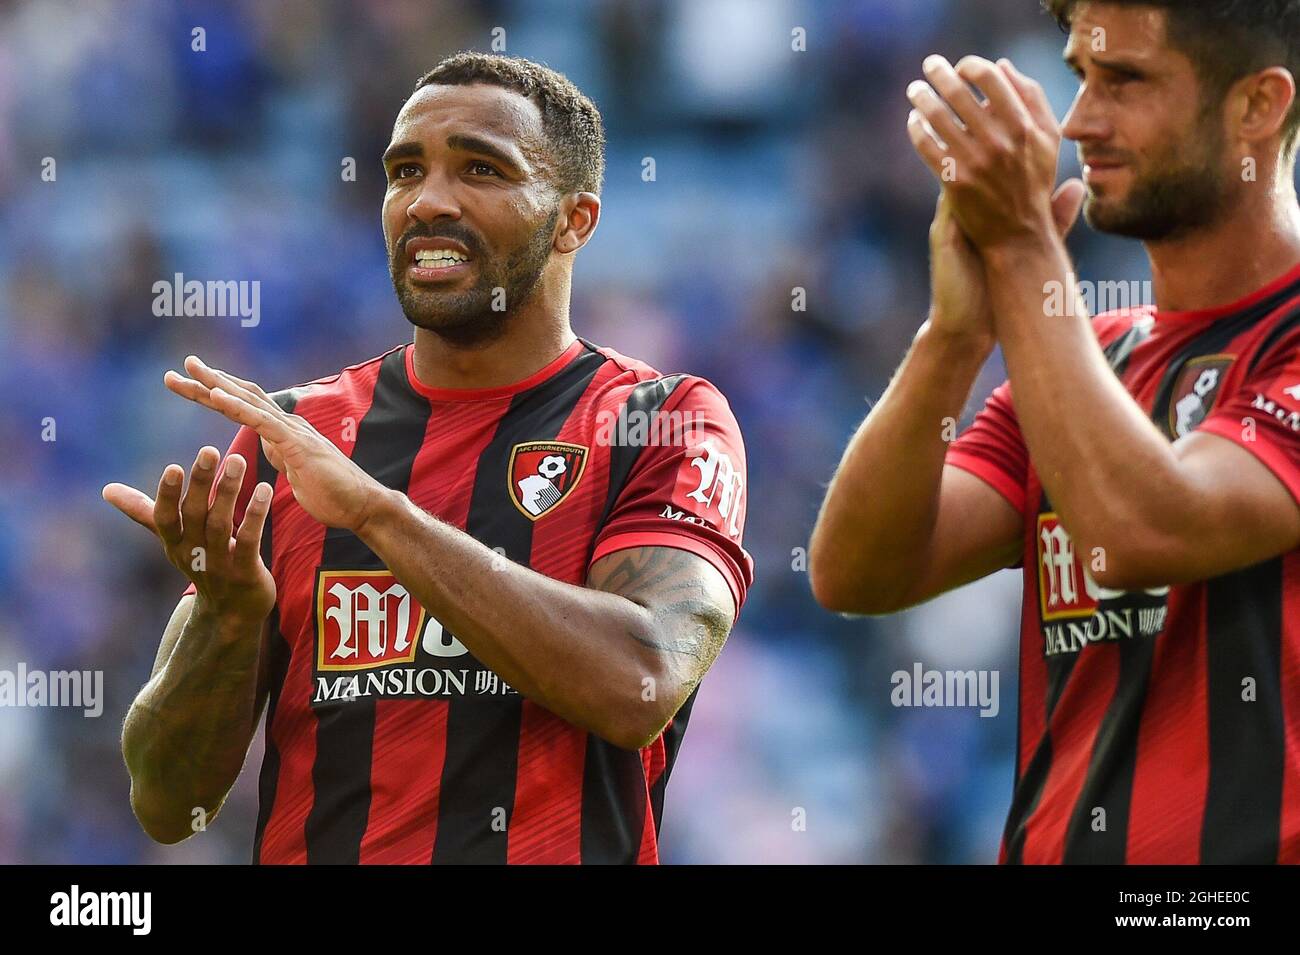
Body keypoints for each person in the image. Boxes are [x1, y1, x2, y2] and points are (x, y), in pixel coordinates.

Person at [102, 52, 752, 865]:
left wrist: (379, 514)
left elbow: (640, 683)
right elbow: (169, 803)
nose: (429, 201)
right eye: (405, 170)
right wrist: (227, 620)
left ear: (574, 219)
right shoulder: (295, 438)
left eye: (481, 169)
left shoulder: (660, 423)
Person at [809, 0, 1300, 863]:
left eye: (1127, 81)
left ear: (1257, 105)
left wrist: (1028, 245)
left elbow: (1143, 528)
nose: (1081, 122)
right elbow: (858, 569)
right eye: (1081, 77)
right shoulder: (1092, 357)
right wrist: (955, 338)